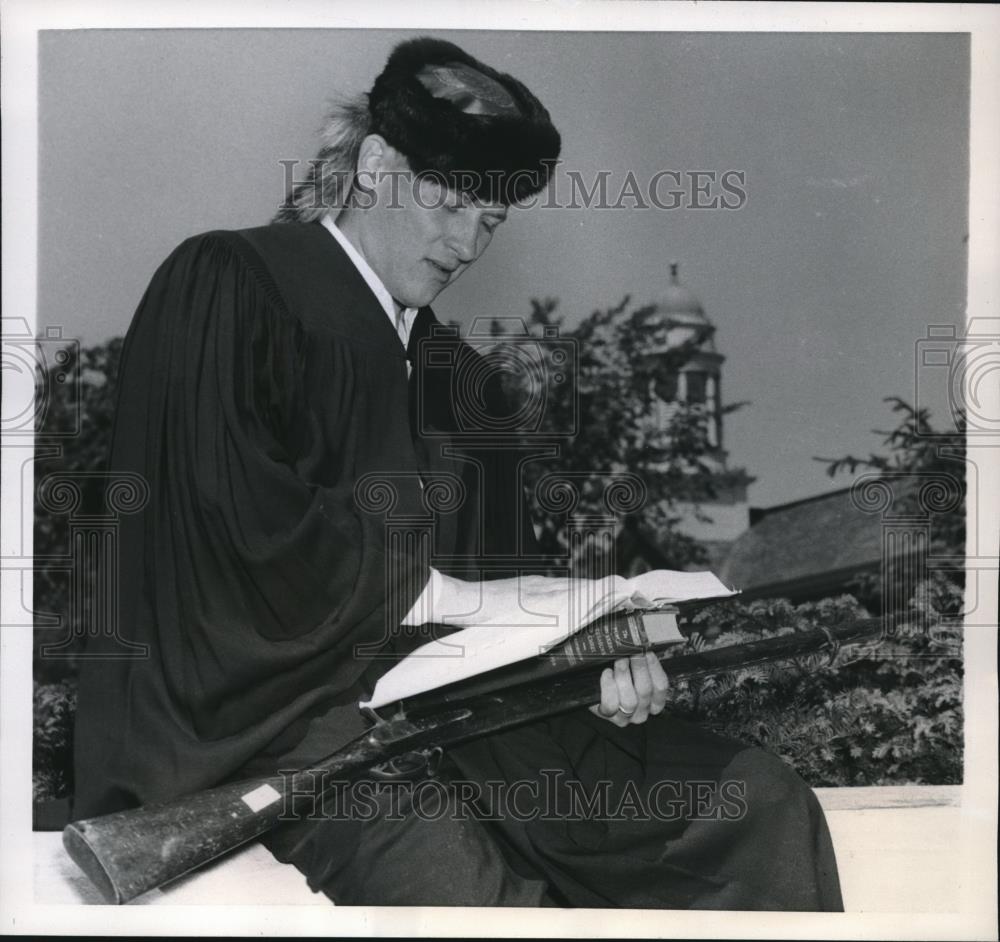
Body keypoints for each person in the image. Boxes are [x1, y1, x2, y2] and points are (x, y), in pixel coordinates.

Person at [72, 36, 843, 910]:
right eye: (448, 202)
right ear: (374, 165)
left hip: (449, 718)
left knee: (755, 806)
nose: (469, 242)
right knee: (471, 896)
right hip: (268, 732)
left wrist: (596, 661)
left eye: (492, 219)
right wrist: (463, 599)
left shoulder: (468, 387)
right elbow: (222, 528)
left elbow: (492, 614)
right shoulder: (232, 282)